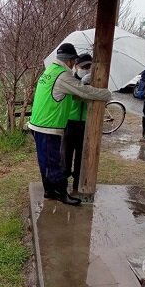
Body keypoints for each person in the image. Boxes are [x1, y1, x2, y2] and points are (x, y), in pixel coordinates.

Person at [29, 43, 111, 205]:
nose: (74, 64)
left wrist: (82, 93)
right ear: (69, 61)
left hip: (39, 124)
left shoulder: (51, 71)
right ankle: (61, 193)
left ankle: (49, 191)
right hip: (48, 127)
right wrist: (105, 94)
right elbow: (83, 91)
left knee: (45, 161)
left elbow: (69, 95)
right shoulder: (63, 76)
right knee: (53, 162)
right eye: (74, 61)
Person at [63, 53, 93, 194]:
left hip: (86, 124)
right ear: (76, 66)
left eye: (89, 66)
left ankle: (77, 185)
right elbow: (72, 98)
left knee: (81, 157)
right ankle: (63, 184)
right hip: (70, 122)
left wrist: (90, 86)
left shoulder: (93, 81)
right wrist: (82, 86)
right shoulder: (69, 80)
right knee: (66, 156)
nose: (86, 69)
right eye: (84, 66)